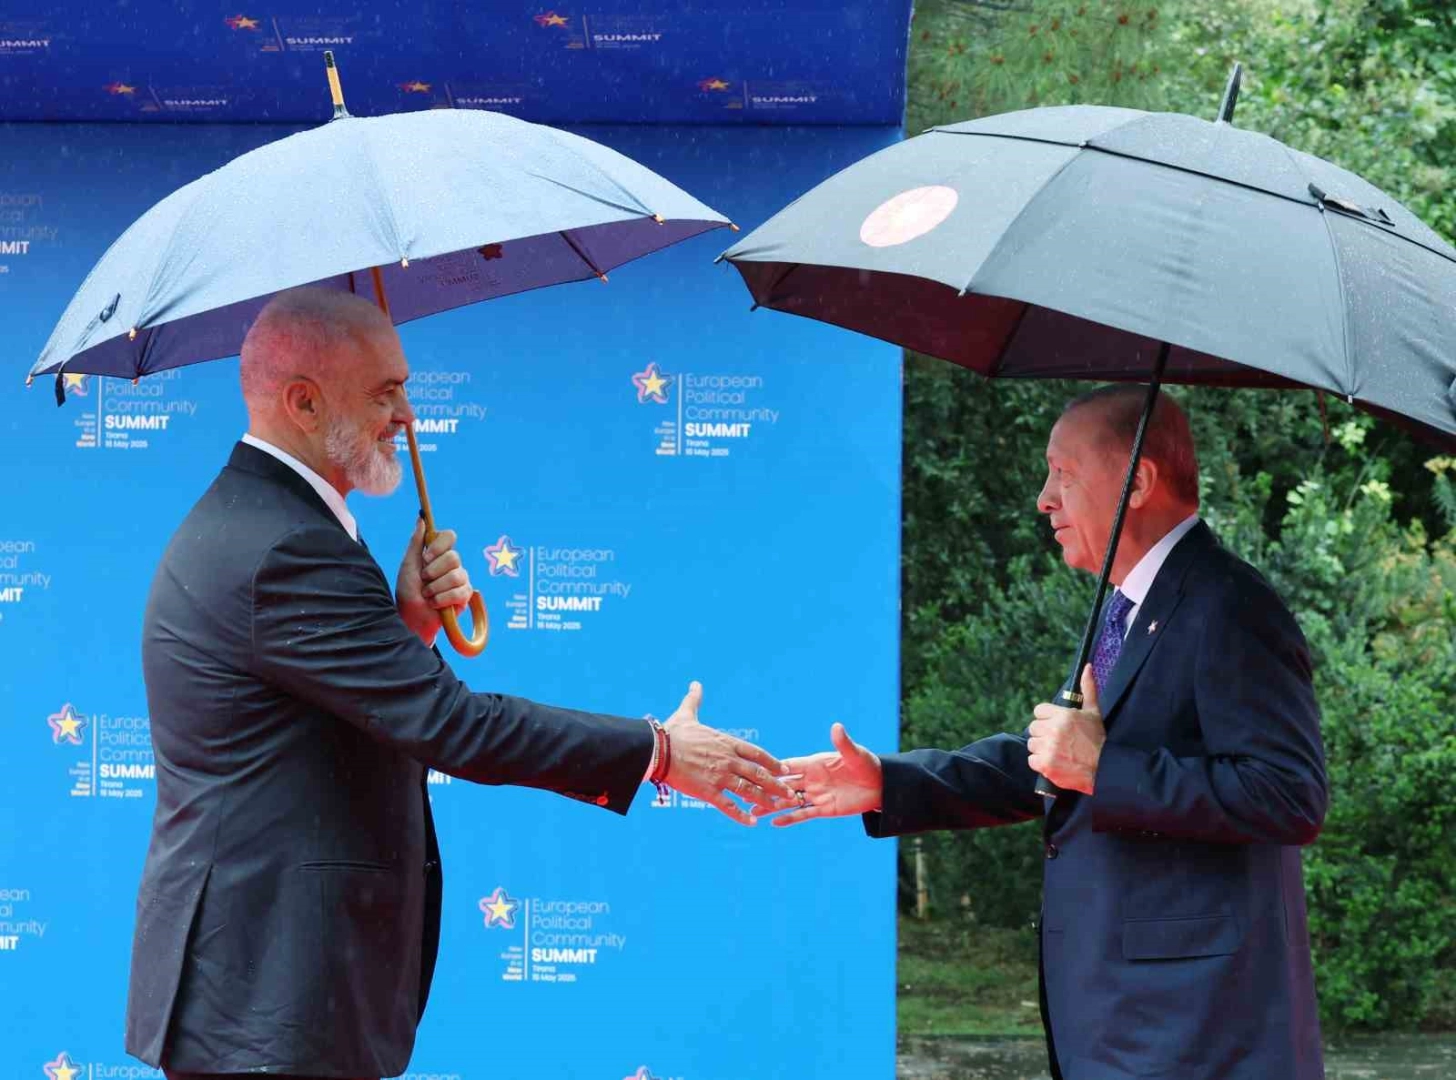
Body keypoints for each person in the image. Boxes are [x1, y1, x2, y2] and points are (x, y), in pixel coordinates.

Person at [125, 286, 794, 1080]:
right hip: (269, 996)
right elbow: (457, 726)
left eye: (404, 388)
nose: (407, 416)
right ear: (304, 403)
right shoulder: (286, 547)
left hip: (267, 996)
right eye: (385, 393)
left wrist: (409, 624)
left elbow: (331, 715)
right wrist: (659, 752)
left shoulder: (270, 521)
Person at [765, 386, 1328, 1080]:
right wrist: (890, 782)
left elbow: (1289, 794)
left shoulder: (1231, 606)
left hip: (1196, 1036)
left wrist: (1104, 768)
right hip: (1131, 1026)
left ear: (1138, 482)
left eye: (1063, 473)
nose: (1043, 499)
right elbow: (1054, 763)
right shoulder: (1130, 605)